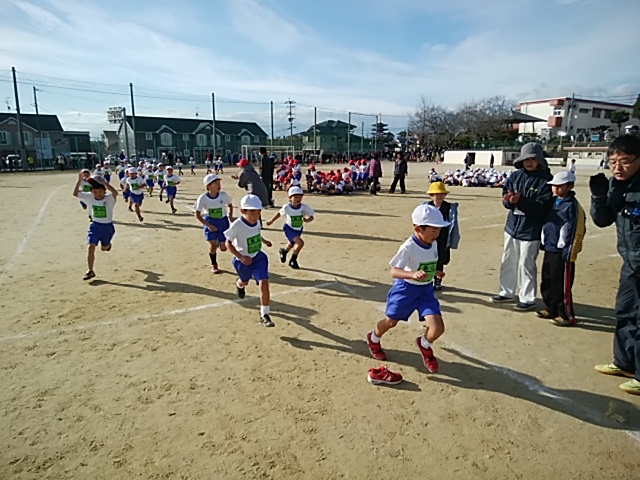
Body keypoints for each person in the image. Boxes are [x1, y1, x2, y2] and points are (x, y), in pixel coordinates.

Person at [366, 204, 450, 373]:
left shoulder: (433, 243)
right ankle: (374, 338)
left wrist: (435, 272)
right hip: (405, 290)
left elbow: (426, 264)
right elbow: (394, 271)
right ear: (418, 228)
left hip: (426, 291)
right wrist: (412, 274)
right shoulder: (408, 247)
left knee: (438, 328)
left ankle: (424, 344)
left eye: (439, 230)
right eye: (433, 230)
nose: (437, 234)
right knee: (391, 322)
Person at [590, 135, 640, 395]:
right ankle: (624, 362)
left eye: (626, 161)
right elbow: (602, 220)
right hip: (630, 262)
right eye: (613, 162)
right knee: (625, 312)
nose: (618, 167)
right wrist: (599, 197)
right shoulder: (616, 184)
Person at [491, 143, 553, 311]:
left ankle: (527, 297)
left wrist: (522, 201)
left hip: (531, 229)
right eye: (526, 159)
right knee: (508, 260)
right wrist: (508, 201)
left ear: (540, 160)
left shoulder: (546, 180)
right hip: (512, 226)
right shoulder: (515, 175)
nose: (529, 162)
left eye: (533, 159)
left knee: (527, 264)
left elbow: (543, 206)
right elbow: (505, 194)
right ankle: (506, 291)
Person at [537, 171, 586, 326]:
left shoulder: (573, 206)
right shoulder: (552, 202)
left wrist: (570, 250)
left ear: (570, 186)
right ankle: (550, 308)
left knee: (561, 284)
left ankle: (566, 315)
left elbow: (576, 230)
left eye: (560, 186)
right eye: (554, 186)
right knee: (547, 280)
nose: (556, 189)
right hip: (550, 247)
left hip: (563, 251)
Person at [224, 194, 274, 327]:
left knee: (264, 282)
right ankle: (239, 285)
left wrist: (264, 241)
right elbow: (228, 243)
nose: (256, 216)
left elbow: (256, 233)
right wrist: (241, 257)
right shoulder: (237, 225)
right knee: (244, 281)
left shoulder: (257, 222)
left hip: (258, 257)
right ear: (243, 211)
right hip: (243, 261)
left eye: (258, 212)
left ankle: (265, 315)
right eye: (252, 212)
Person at [72, 173, 118, 280]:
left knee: (104, 248)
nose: (98, 194)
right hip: (95, 226)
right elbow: (75, 193)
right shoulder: (89, 197)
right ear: (92, 191)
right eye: (95, 192)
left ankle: (107, 245)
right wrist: (79, 180)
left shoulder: (109, 199)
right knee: (91, 246)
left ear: (104, 191)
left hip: (107, 228)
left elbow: (115, 193)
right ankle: (90, 270)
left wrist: (106, 183)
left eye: (101, 191)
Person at [266, 186, 316, 270]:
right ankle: (293, 260)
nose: (298, 199)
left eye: (300, 197)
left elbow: (312, 216)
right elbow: (279, 214)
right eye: (295, 197)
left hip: (298, 229)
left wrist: (307, 220)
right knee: (300, 243)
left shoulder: (304, 207)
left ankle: (284, 251)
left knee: (291, 244)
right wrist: (271, 221)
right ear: (290, 198)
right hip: (289, 228)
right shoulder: (287, 207)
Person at [194, 174, 234, 274]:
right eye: (215, 183)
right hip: (210, 221)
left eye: (219, 183)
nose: (219, 185)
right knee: (213, 245)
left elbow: (230, 205)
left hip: (223, 222)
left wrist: (230, 216)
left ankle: (220, 240)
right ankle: (214, 264)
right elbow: (198, 214)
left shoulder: (224, 195)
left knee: (224, 248)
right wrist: (208, 225)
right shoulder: (203, 198)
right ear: (208, 186)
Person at [425, 182, 461, 291]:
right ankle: (427, 280)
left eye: (442, 194)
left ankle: (438, 280)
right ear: (431, 195)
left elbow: (454, 225)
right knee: (428, 258)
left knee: (440, 259)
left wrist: (454, 239)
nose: (440, 196)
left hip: (443, 237)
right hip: (429, 236)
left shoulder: (449, 207)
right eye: (437, 194)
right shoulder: (426, 207)